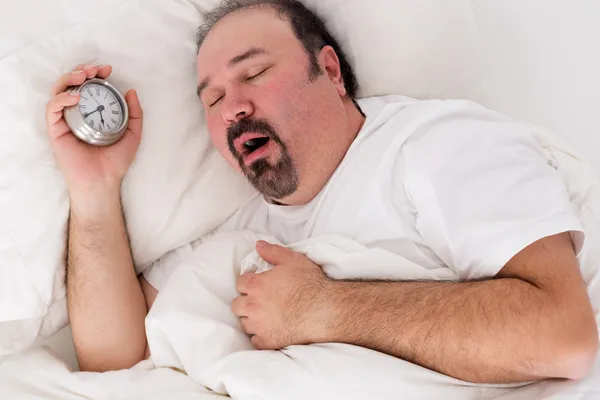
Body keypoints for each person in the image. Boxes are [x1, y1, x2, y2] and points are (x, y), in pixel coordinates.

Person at [45, 0, 598, 383]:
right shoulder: (238, 238)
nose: (233, 106)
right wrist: (93, 186)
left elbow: (561, 335)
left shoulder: (435, 145)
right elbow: (113, 353)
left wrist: (327, 308)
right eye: (212, 101)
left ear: (329, 69)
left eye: (254, 72)